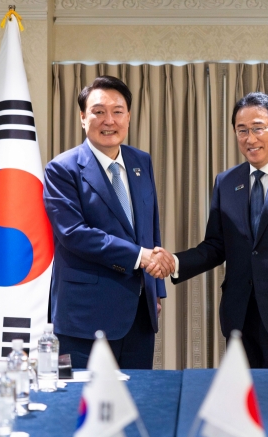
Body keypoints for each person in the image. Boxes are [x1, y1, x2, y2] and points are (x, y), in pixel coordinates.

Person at [151, 92, 268, 368]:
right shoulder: (226, 182)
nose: (250, 138)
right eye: (242, 131)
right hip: (240, 320)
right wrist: (174, 262)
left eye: (258, 128)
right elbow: (215, 246)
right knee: (244, 405)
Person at [44, 76, 174, 369]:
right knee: (84, 407)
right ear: (82, 117)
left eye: (117, 111)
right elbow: (74, 234)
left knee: (135, 402)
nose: (109, 120)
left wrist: (156, 289)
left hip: (139, 312)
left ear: (128, 117)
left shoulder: (141, 161)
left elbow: (149, 227)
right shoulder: (62, 169)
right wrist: (140, 257)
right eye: (98, 111)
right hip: (84, 317)